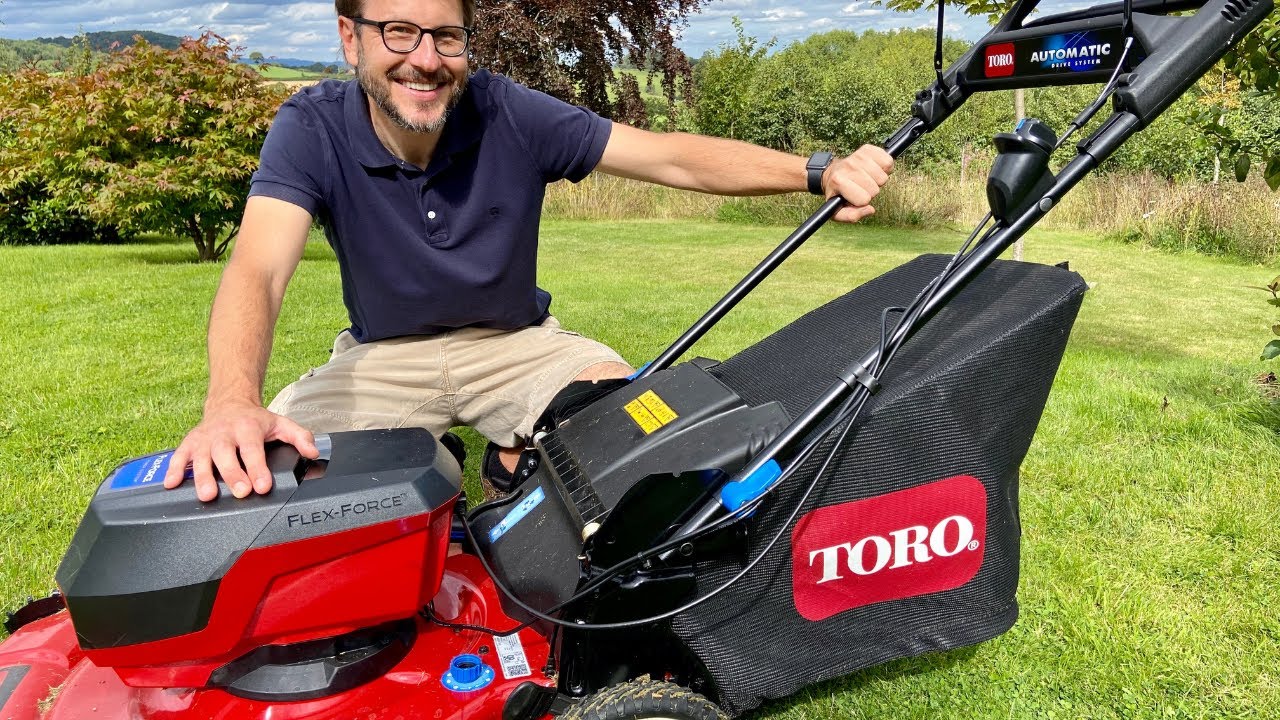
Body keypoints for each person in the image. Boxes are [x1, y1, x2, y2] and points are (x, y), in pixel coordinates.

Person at [163, 0, 895, 503]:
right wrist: (232, 404)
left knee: (639, 433)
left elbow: (669, 158)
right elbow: (258, 265)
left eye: (446, 36)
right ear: (350, 38)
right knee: (274, 478)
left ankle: (515, 469)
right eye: (398, 32)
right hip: (380, 360)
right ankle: (444, 474)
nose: (426, 59)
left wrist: (815, 171)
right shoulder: (309, 126)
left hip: (519, 345)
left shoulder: (506, 109)